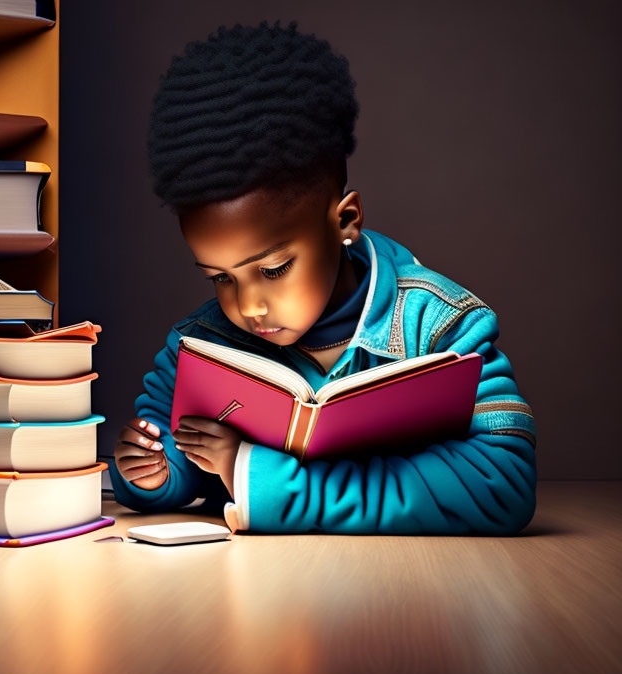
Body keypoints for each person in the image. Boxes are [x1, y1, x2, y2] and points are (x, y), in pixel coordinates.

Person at [111, 22, 536, 535]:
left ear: (345, 222)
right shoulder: (200, 346)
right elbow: (171, 466)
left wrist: (262, 478)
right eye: (220, 278)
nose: (250, 306)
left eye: (273, 270)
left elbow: (504, 483)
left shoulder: (446, 327)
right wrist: (151, 472)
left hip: (413, 594)